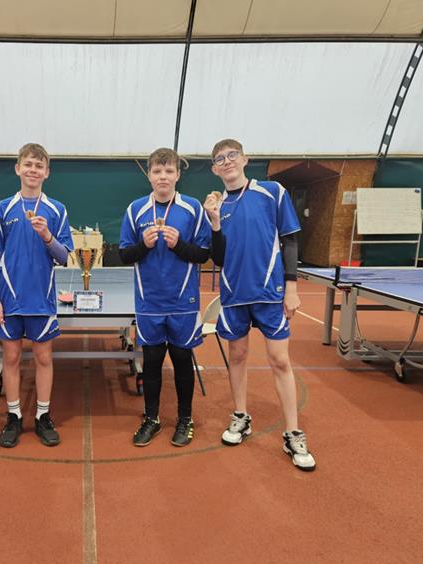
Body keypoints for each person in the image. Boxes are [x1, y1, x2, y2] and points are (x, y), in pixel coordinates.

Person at [204, 138, 316, 471]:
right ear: (214, 169)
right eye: (220, 159)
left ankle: (293, 432)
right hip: (234, 295)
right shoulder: (217, 204)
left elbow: (289, 240)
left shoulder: (272, 192)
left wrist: (291, 288)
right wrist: (214, 222)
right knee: (237, 356)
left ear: (244, 159)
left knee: (280, 361)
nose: (227, 161)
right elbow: (219, 258)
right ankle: (241, 416)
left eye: (232, 155)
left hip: (270, 294)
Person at [0, 143, 73, 448]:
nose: (33, 170)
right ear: (18, 168)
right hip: (9, 300)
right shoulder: (2, 209)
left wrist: (47, 235)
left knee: (43, 357)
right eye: (28, 164)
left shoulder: (57, 210)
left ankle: (43, 416)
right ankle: (14, 416)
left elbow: (63, 257)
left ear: (47, 172)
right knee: (10, 357)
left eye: (39, 165)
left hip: (42, 299)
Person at [119, 148, 211, 447]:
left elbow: (203, 254)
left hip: (183, 301)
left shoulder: (192, 208)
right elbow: (124, 255)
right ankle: (151, 418)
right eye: (157, 171)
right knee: (152, 361)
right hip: (149, 301)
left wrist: (179, 245)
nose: (163, 177)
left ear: (177, 175)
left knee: (183, 360)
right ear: (149, 175)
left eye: (169, 171)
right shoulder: (135, 209)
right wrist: (143, 246)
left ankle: (185, 419)